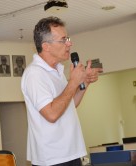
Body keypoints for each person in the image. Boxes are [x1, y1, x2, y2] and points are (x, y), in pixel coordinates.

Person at [21, 16, 103, 166]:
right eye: (63, 40)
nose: (69, 43)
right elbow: (52, 114)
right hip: (52, 159)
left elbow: (69, 105)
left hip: (71, 154)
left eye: (68, 38)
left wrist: (84, 82)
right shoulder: (34, 74)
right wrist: (73, 82)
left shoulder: (58, 70)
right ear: (46, 46)